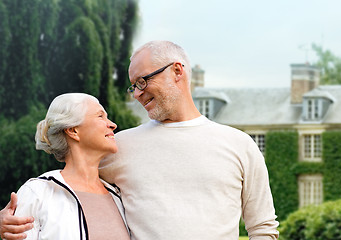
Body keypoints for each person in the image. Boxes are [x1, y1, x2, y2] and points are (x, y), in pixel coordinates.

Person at [0, 41, 279, 240]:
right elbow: (68, 180)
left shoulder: (240, 145)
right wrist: (3, 223)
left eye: (143, 82)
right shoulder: (119, 146)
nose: (136, 93)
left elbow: (263, 229)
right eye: (133, 86)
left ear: (177, 71)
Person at [2, 93, 130, 240]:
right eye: (100, 116)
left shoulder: (119, 197)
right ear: (73, 130)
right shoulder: (37, 193)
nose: (113, 124)